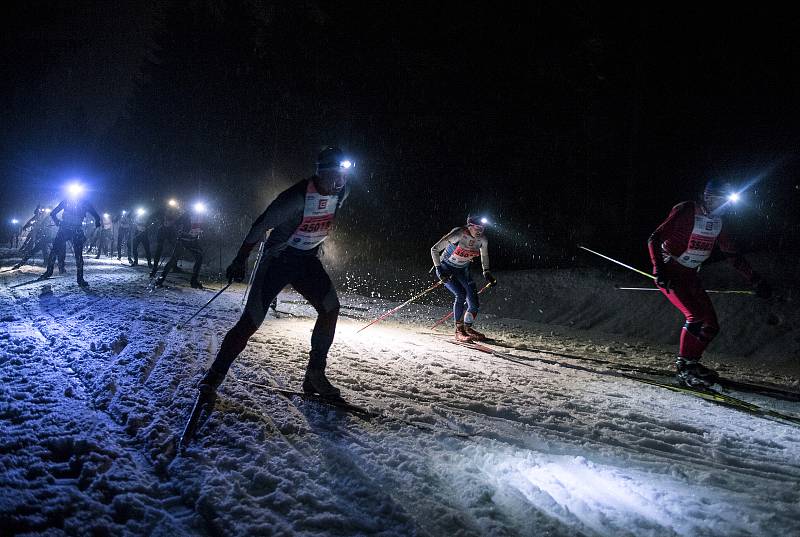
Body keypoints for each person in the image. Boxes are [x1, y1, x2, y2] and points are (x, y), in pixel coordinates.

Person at [193, 146, 353, 415]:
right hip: (278, 261)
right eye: (334, 176)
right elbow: (260, 225)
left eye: (343, 177)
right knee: (251, 321)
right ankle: (214, 375)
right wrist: (240, 259)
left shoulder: (342, 193)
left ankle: (315, 374)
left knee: (330, 308)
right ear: (320, 174)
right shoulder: (296, 197)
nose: (339, 183)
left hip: (306, 260)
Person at [648, 179, 772, 388]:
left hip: (690, 275)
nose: (725, 206)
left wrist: (755, 279)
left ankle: (691, 363)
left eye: (728, 202)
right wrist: (659, 269)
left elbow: (732, 255)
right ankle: (684, 368)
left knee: (711, 325)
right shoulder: (687, 209)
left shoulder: (718, 222)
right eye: (721, 200)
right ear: (708, 197)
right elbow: (654, 238)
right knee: (695, 316)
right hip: (670, 271)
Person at [431, 215, 497, 342]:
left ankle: (467, 328)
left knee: (474, 303)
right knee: (460, 294)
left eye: (482, 228)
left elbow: (484, 255)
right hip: (446, 268)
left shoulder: (483, 239)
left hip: (463, 270)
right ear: (469, 226)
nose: (480, 231)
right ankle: (459, 330)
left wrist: (486, 271)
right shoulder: (458, 234)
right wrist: (439, 269)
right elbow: (434, 249)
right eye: (477, 228)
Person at [40, 195, 101, 287]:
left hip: (66, 230)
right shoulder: (83, 203)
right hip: (72, 230)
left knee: (57, 252)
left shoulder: (73, 202)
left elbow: (53, 213)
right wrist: (97, 222)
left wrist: (57, 222)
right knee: (77, 255)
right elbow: (96, 216)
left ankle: (49, 272)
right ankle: (79, 279)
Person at [151, 204, 204, 289]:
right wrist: (178, 231)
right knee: (173, 260)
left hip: (193, 241)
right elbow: (177, 223)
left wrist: (199, 232)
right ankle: (160, 279)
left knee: (200, 257)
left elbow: (197, 227)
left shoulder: (200, 215)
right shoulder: (187, 214)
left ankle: (194, 281)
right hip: (183, 240)